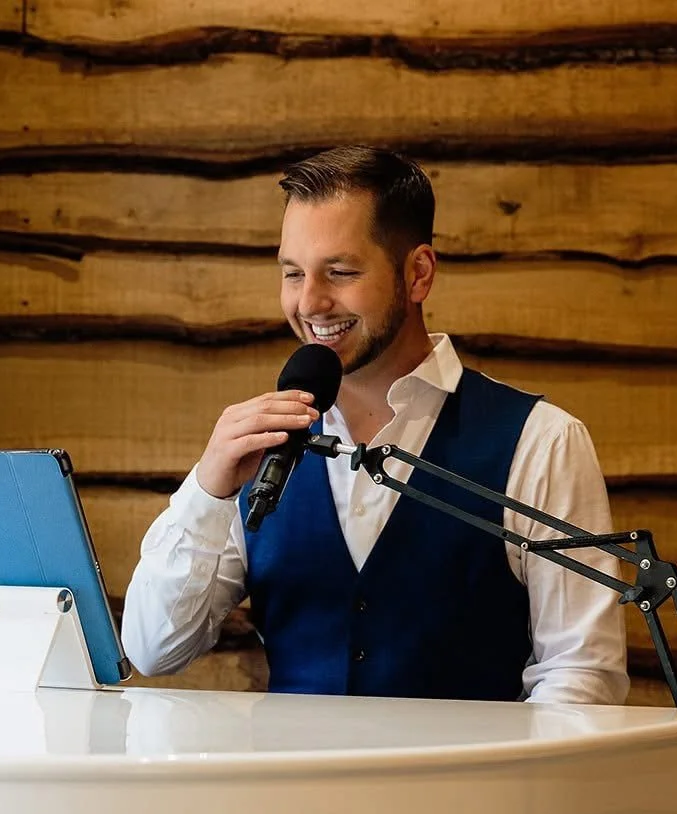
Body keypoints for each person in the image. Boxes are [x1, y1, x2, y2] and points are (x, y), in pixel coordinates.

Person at [122, 145, 629, 709]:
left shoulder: (541, 441)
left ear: (417, 274)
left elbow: (581, 675)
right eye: (293, 273)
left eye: (339, 272)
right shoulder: (259, 451)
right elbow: (153, 649)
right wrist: (208, 492)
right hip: (290, 795)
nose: (310, 302)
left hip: (467, 796)